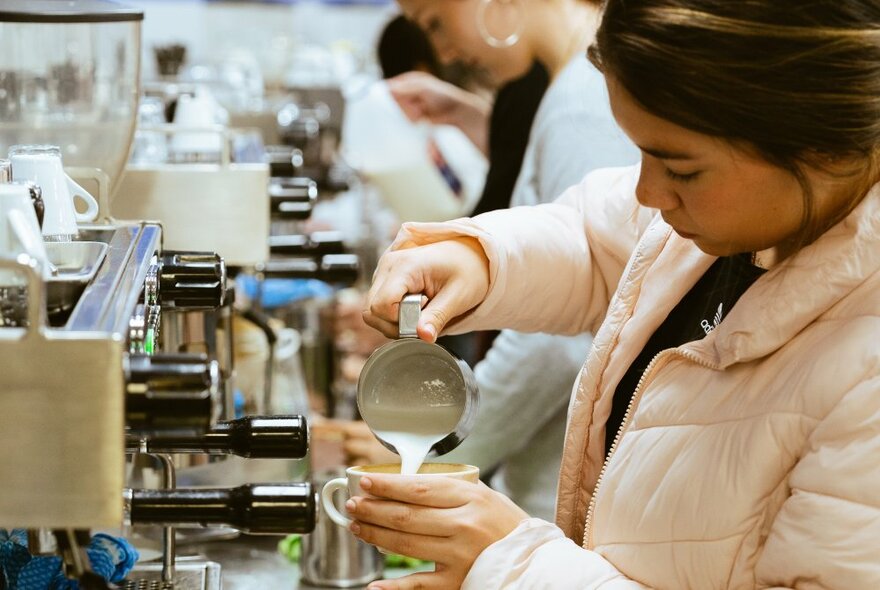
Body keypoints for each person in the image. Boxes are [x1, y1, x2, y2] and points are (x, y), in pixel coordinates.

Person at [349, 0, 880, 588]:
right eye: (640, 156)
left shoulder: (866, 371)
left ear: (822, 145)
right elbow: (600, 236)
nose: (650, 191)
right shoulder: (749, 214)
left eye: (680, 170)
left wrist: (513, 567)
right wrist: (480, 257)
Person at [336, 0, 638, 521]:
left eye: (435, 22)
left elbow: (564, 337)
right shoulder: (570, 87)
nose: (445, 50)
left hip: (558, 486)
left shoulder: (580, 98)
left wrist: (443, 450)